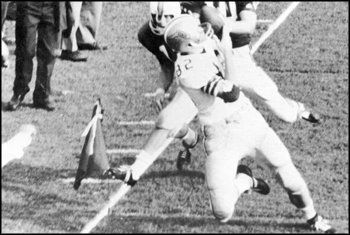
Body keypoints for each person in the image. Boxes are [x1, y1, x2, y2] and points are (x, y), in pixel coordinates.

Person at [160, 15, 334, 233]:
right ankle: (245, 181)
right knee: (222, 212)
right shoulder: (189, 71)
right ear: (187, 43)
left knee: (290, 178)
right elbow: (231, 92)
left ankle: (313, 217)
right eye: (196, 29)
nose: (202, 30)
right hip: (220, 136)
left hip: (247, 120)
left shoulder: (199, 45)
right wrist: (226, 52)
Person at [182, 1, 321, 124]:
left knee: (284, 113)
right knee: (190, 106)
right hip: (207, 55)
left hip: (236, 56)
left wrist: (223, 27)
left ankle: (296, 109)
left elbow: (248, 25)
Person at [107, 2, 200, 177]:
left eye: (167, 17)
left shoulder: (191, 26)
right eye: (158, 16)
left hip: (207, 74)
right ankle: (190, 138)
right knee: (172, 122)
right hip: (187, 74)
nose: (162, 21)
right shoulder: (146, 34)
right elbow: (166, 64)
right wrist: (160, 89)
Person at [6, 2, 66, 111]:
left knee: (48, 54)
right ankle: (19, 92)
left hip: (52, 7)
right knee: (25, 51)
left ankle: (42, 95)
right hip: (29, 6)